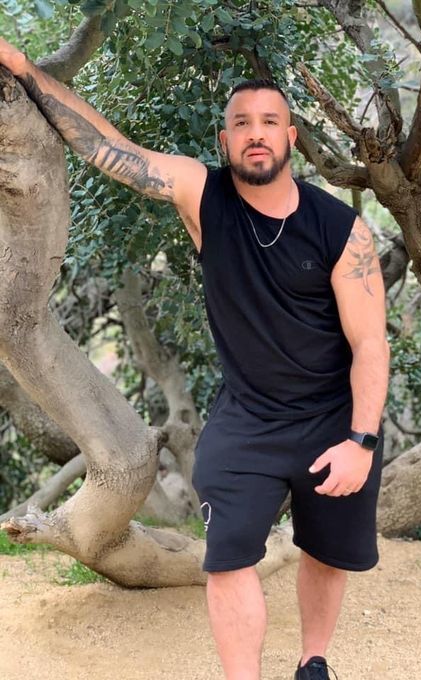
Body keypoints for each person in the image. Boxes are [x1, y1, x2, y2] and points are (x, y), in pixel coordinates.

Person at [0, 36, 390, 680]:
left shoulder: (341, 229)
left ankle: (313, 661)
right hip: (247, 421)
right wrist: (21, 67)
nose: (256, 134)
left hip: (334, 419)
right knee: (229, 557)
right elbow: (107, 148)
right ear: (224, 139)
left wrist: (361, 441)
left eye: (270, 122)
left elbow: (370, 343)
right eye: (243, 124)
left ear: (291, 137)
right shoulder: (202, 193)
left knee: (325, 553)